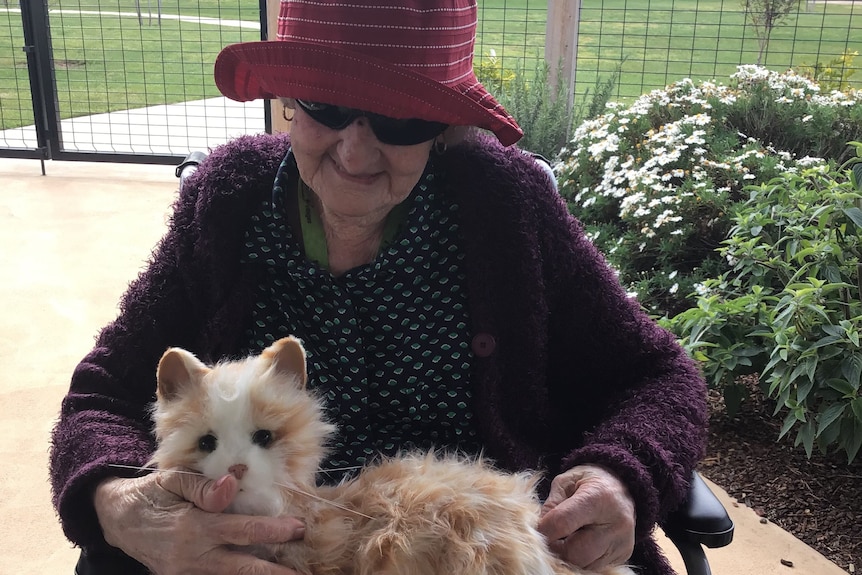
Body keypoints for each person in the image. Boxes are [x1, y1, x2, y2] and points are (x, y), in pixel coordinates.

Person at [49, 1, 707, 574]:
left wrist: (624, 474)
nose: (356, 153)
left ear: (444, 127)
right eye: (326, 106)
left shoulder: (506, 211)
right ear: (288, 96)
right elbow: (101, 394)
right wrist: (121, 504)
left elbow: (660, 379)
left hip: (478, 552)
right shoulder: (228, 207)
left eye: (400, 120)